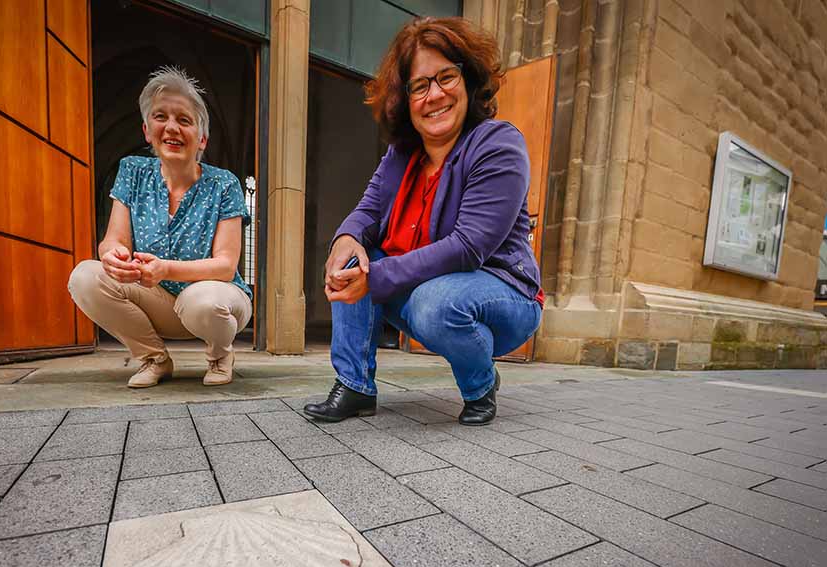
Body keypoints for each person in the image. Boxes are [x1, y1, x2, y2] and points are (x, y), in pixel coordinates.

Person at [304, 17, 543, 426]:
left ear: (468, 80)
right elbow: (367, 213)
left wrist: (375, 277)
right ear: (406, 98)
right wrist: (345, 239)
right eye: (419, 85)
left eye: (445, 77)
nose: (434, 94)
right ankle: (355, 385)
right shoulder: (401, 156)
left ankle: (480, 383)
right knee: (353, 263)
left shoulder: (498, 144)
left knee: (437, 304)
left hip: (504, 293)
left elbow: (469, 245)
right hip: (428, 286)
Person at [68, 66, 252, 388]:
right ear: (146, 130)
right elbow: (113, 240)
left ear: (202, 138)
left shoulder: (224, 183)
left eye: (184, 120)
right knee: (85, 276)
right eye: (161, 117)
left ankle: (221, 354)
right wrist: (114, 256)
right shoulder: (133, 172)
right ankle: (154, 358)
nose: (171, 127)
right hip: (157, 300)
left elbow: (225, 266)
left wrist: (165, 269)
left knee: (203, 301)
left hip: (217, 302)